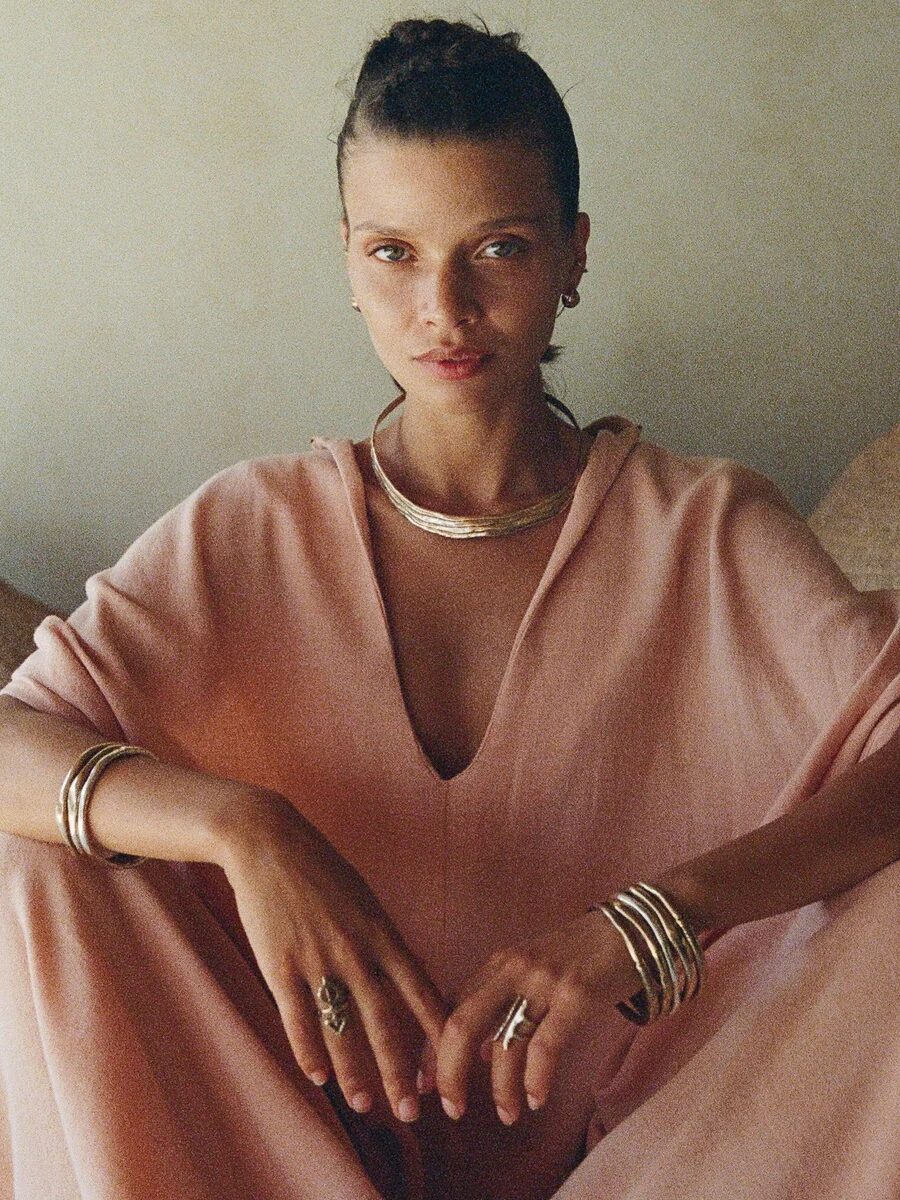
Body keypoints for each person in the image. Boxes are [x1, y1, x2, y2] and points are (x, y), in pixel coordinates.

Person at [0, 15, 898, 1200]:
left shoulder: (705, 532)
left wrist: (653, 923)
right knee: (40, 864)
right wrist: (247, 830)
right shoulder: (246, 533)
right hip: (274, 1155)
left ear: (575, 255)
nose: (445, 306)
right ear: (346, 260)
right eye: (394, 252)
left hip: (664, 1156)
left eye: (501, 248)